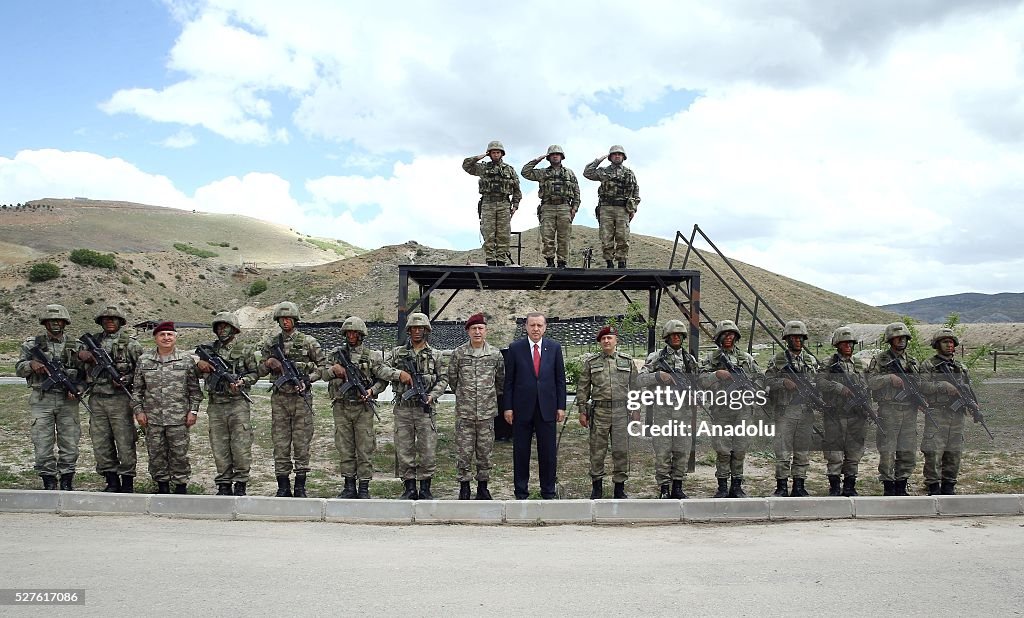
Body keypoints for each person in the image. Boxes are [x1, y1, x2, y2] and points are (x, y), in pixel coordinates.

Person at [259, 302, 325, 498]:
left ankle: (300, 486)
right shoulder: (271, 344)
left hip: (300, 398)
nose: (285, 322)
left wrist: (307, 379)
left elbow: (323, 368)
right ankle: (283, 486)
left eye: (289, 319)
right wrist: (270, 363)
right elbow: (260, 370)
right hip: (280, 398)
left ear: (295, 320)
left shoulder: (309, 342)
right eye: (282, 319)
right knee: (280, 443)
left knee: (302, 443)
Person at [16, 304, 84, 490]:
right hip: (41, 398)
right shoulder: (32, 345)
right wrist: (31, 364)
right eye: (51, 321)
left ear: (65, 322)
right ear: (44, 322)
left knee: (70, 440)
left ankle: (67, 479)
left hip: (67, 400)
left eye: (59, 320)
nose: (55, 324)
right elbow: (19, 369)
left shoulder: (76, 345)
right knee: (42, 440)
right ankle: (48, 480)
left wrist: (77, 388)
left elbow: (85, 374)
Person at [867, 322, 939, 496]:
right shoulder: (880, 360)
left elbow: (920, 383)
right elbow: (870, 382)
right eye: (897, 338)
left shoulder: (912, 362)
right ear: (890, 340)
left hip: (909, 410)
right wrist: (889, 378)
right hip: (889, 409)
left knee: (907, 450)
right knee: (888, 450)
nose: (901, 341)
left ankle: (901, 484)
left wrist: (920, 398)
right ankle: (888, 487)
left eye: (903, 338)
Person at [77, 305, 143, 493]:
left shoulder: (131, 344)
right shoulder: (91, 342)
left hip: (121, 399)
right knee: (101, 442)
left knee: (125, 442)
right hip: (97, 399)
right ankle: (111, 480)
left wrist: (125, 379)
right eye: (105, 320)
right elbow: (78, 371)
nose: (109, 322)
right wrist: (82, 356)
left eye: (113, 319)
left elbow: (141, 372)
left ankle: (127, 482)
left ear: (120, 322)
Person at [323, 316, 390, 499]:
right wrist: (333, 370)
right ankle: (349, 486)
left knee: (364, 448)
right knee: (345, 448)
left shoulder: (372, 356)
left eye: (355, 333)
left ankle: (364, 488)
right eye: (348, 333)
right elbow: (323, 374)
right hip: (341, 406)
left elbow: (383, 379)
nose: (351, 336)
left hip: (363, 408)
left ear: (361, 335)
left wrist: (371, 391)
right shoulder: (336, 354)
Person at [132, 322, 203, 494]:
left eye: (169, 335)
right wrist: (139, 411)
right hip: (152, 418)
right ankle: (162, 487)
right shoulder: (144, 360)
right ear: (155, 338)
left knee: (179, 454)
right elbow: (137, 390)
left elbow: (195, 391)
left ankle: (180, 487)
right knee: (156, 455)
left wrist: (193, 411)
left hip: (178, 418)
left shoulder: (186, 360)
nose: (166, 338)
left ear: (175, 337)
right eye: (162, 335)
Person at [502, 312, 567, 500]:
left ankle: (548, 491)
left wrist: (560, 406)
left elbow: (560, 380)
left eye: (539, 325)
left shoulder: (554, 348)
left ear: (545, 327)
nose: (536, 329)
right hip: (521, 409)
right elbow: (509, 381)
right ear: (526, 327)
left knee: (548, 453)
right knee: (521, 452)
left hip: (547, 408)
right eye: (532, 325)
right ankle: (521, 491)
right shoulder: (515, 348)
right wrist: (508, 407)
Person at [383, 312, 447, 500]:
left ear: (426, 330)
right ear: (409, 330)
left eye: (421, 328)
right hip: (403, 407)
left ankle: (425, 487)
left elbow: (443, 379)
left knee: (427, 449)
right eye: (413, 328)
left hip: (425, 409)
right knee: (404, 448)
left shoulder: (435, 355)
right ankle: (409, 487)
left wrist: (432, 396)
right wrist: (399, 374)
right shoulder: (397, 353)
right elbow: (381, 369)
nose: (417, 331)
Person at [698, 320, 765, 498]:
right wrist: (716, 374)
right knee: (722, 449)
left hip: (743, 409)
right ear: (719, 337)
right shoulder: (712, 359)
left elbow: (761, 377)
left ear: (736, 337)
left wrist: (752, 388)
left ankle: (736, 485)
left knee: (740, 448)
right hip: (721, 409)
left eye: (731, 334)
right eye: (725, 335)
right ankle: (722, 486)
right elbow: (700, 380)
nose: (729, 338)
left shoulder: (746, 358)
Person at [196, 312, 258, 496]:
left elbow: (255, 373)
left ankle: (240, 483)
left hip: (238, 404)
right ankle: (223, 483)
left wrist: (243, 381)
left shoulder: (245, 350)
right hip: (216, 404)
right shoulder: (208, 350)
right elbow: (196, 372)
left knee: (240, 445)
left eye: (226, 327)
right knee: (219, 445)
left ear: (234, 329)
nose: (222, 330)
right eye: (219, 327)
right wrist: (200, 365)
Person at [637, 319, 699, 499]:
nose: (676, 338)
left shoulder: (690, 359)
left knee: (682, 450)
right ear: (667, 337)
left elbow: (697, 383)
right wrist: (658, 375)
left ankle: (678, 487)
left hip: (683, 411)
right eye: (673, 335)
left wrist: (696, 396)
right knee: (663, 451)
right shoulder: (656, 358)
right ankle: (664, 487)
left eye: (679, 335)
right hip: (663, 411)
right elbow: (640, 380)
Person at [446, 313, 505, 500]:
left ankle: (483, 487)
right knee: (464, 451)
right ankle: (464, 487)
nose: (477, 332)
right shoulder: (459, 353)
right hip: (465, 412)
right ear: (468, 331)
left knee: (485, 452)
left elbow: (500, 381)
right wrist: (466, 396)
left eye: (480, 328)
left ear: (486, 331)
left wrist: (486, 398)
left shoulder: (495, 354)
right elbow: (453, 380)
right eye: (474, 329)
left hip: (487, 413)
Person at [577, 326, 638, 499]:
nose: (606, 341)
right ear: (600, 342)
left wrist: (636, 409)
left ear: (616, 341)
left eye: (610, 338)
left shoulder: (627, 361)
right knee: (597, 450)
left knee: (621, 450)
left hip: (621, 412)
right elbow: (583, 388)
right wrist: (582, 411)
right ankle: (597, 487)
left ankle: (619, 488)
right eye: (603, 339)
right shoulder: (591, 362)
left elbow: (636, 387)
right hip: (599, 412)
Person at [920, 328, 982, 496]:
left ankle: (949, 485)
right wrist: (944, 386)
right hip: (937, 413)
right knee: (933, 450)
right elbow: (923, 386)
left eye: (951, 342)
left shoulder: (960, 366)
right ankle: (933, 485)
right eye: (945, 342)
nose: (949, 345)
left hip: (957, 414)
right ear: (937, 345)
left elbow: (968, 388)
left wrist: (974, 405)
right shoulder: (929, 365)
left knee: (954, 451)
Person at [765, 320, 820, 497]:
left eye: (800, 337)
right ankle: (781, 486)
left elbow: (819, 383)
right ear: (787, 339)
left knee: (802, 451)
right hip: (785, 411)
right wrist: (783, 382)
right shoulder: (778, 360)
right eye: (793, 337)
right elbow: (765, 382)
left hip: (805, 411)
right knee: (782, 450)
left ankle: (799, 485)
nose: (797, 340)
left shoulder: (810, 361)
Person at [817, 326, 872, 497]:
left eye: (850, 343)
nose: (848, 345)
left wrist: (868, 410)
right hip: (835, 413)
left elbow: (867, 389)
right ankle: (834, 487)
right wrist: (838, 387)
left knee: (854, 452)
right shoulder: (828, 363)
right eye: (844, 343)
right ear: (837, 344)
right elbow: (819, 382)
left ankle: (850, 485)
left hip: (857, 415)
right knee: (835, 453)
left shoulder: (860, 365)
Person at [463, 140, 522, 266]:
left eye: (498, 152)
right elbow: (466, 165)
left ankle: (501, 260)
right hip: (488, 203)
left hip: (504, 204)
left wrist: (515, 205)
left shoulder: (509, 170)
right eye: (493, 152)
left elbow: (517, 190)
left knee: (503, 234)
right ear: (489, 154)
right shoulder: (483, 168)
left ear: (502, 154)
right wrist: (481, 156)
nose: (496, 154)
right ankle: (490, 259)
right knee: (488, 232)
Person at [521, 145, 581, 268]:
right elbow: (525, 172)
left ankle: (562, 262)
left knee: (564, 237)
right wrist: (537, 160)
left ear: (561, 157)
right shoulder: (543, 173)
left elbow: (576, 192)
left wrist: (575, 208)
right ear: (549, 157)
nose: (555, 156)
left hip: (565, 207)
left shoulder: (569, 173)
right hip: (547, 207)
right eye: (552, 154)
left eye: (557, 154)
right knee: (547, 237)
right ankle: (549, 261)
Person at [583, 145, 640, 268]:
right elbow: (587, 173)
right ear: (610, 157)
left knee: (623, 237)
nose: (617, 156)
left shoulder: (629, 173)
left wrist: (633, 208)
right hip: (606, 208)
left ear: (623, 157)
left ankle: (621, 261)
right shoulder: (603, 171)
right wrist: (598, 160)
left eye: (619, 154)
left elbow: (636, 192)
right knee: (606, 236)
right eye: (614, 154)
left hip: (623, 209)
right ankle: (609, 262)